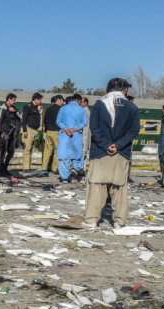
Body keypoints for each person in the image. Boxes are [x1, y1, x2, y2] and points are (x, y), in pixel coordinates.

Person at [84, 79, 140, 229]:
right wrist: (119, 145)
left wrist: (105, 145)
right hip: (121, 153)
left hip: (101, 153)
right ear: (124, 90)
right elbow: (134, 130)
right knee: (119, 189)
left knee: (97, 187)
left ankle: (92, 220)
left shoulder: (99, 105)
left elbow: (94, 128)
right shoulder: (132, 107)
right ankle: (119, 221)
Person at [56, 94, 88, 183]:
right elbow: (85, 122)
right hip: (76, 135)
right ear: (80, 100)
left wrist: (65, 129)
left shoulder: (63, 109)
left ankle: (64, 177)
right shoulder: (82, 110)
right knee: (77, 154)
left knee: (64, 155)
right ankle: (76, 171)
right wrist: (75, 129)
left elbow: (58, 121)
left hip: (64, 135)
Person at [0, 93, 20, 179]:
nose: (15, 101)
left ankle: (5, 168)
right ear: (9, 99)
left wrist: (15, 112)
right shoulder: (3, 108)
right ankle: (1, 170)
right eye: (13, 100)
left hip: (12, 133)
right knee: (2, 152)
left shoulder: (14, 109)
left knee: (11, 151)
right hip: (4, 133)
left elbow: (20, 118)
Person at [41, 95, 63, 177]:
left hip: (49, 132)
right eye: (62, 100)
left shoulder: (48, 109)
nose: (62, 102)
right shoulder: (60, 110)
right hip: (57, 132)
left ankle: (44, 168)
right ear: (58, 100)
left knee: (47, 151)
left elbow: (45, 120)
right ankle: (54, 169)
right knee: (56, 151)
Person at [21, 93, 43, 170]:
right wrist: (24, 130)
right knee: (27, 149)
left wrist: (38, 110)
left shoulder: (36, 108)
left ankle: (29, 167)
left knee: (31, 150)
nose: (40, 101)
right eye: (40, 99)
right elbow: (24, 118)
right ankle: (26, 168)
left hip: (35, 130)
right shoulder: (28, 106)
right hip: (29, 129)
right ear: (36, 99)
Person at [81, 97, 92, 162]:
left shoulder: (85, 112)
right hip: (85, 134)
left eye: (81, 102)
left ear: (86, 103)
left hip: (84, 134)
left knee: (83, 153)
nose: (80, 103)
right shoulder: (86, 111)